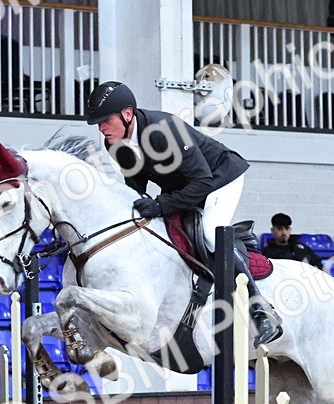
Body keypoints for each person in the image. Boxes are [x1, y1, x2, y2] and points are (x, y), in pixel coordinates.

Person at [85, 80, 283, 346]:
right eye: (98, 123)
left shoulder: (163, 130)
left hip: (220, 178)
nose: (101, 128)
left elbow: (202, 183)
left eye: (105, 120)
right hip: (185, 188)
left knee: (212, 233)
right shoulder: (116, 145)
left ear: (128, 114)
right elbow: (135, 190)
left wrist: (160, 205)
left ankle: (261, 310)